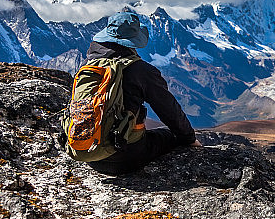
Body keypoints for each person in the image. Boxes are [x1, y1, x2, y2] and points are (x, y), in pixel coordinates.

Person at [85, 10, 201, 175]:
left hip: (90, 154)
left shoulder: (89, 66)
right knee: (169, 136)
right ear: (131, 42)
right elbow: (169, 109)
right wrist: (189, 139)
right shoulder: (139, 70)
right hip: (125, 157)